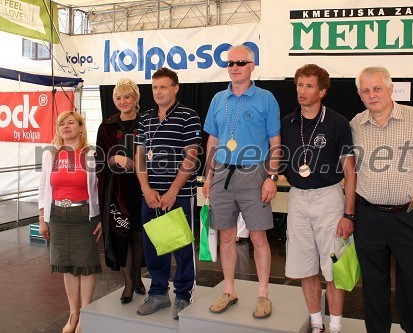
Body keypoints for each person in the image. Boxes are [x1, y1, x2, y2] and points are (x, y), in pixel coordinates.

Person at [350, 66, 413, 333]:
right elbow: (349, 171)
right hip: (368, 217)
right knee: (373, 285)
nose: (372, 95)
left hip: (410, 216)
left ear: (391, 89)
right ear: (360, 95)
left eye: (377, 88)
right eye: (366, 91)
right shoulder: (355, 125)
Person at [202, 44, 281, 318]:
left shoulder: (266, 98)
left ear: (252, 65)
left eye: (240, 62)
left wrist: (271, 177)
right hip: (222, 172)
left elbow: (275, 140)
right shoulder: (217, 99)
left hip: (254, 173)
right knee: (226, 235)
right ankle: (229, 289)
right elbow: (213, 139)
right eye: (230, 63)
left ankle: (262, 294)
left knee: (258, 236)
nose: (235, 67)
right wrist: (208, 174)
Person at [281, 64, 356, 333]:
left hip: (329, 198)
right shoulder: (287, 123)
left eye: (309, 85)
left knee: (333, 267)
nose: (302, 91)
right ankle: (316, 324)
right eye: (299, 85)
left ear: (322, 91)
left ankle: (335, 327)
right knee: (305, 266)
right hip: (298, 198)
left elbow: (350, 171)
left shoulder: (337, 123)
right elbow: (278, 162)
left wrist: (349, 214)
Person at [134, 67, 201, 319]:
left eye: (163, 86)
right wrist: (146, 189)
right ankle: (159, 293)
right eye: (154, 87)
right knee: (153, 246)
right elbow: (139, 156)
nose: (158, 92)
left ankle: (183, 295)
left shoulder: (188, 116)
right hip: (150, 195)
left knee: (182, 246)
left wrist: (173, 191)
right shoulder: (146, 118)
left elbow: (191, 156)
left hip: (179, 194)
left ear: (175, 88)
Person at [38, 111, 102, 333]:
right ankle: (73, 313)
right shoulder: (50, 154)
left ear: (81, 127)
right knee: (67, 266)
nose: (66, 127)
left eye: (71, 123)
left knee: (85, 265)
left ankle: (85, 313)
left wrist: (100, 217)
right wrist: (42, 218)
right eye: (61, 123)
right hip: (58, 216)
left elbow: (98, 189)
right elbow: (44, 187)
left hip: (84, 215)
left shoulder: (91, 154)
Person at [96, 78, 145, 305]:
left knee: (139, 235)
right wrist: (114, 157)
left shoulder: (147, 122)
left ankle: (137, 277)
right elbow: (98, 159)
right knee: (122, 234)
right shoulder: (106, 126)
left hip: (142, 188)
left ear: (135, 98)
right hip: (117, 189)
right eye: (118, 97)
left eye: (127, 96)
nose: (123, 101)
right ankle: (128, 283)